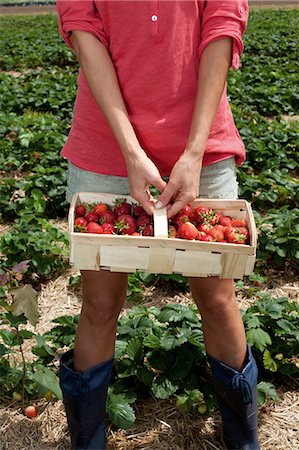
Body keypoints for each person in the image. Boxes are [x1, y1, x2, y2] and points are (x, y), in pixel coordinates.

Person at [56, 1, 260, 449]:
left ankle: (244, 440)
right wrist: (130, 151)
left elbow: (222, 25)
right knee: (99, 304)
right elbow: (83, 29)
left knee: (219, 299)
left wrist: (193, 151)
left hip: (201, 141)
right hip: (107, 144)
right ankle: (87, 441)